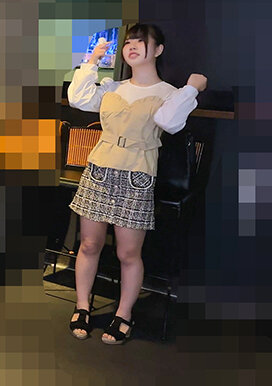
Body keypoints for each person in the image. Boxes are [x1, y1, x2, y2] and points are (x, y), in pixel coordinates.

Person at [66, 24, 207, 344]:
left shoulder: (169, 93)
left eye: (140, 42)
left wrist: (191, 89)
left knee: (129, 253)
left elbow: (169, 122)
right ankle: (82, 306)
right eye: (128, 42)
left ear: (158, 50)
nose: (131, 46)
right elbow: (78, 99)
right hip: (99, 170)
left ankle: (124, 314)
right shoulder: (112, 87)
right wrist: (91, 61)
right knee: (89, 245)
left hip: (137, 176)